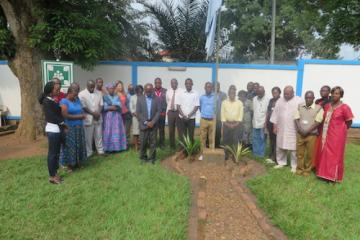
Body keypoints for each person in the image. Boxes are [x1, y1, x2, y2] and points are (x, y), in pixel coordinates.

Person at [316, 86, 353, 182]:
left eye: (337, 93)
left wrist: (341, 131)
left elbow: (349, 121)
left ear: (341, 95)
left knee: (334, 155)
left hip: (337, 136)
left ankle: (332, 176)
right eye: (333, 93)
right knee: (325, 153)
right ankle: (323, 174)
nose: (334, 95)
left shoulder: (345, 107)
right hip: (326, 134)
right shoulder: (328, 106)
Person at [39, 81, 67, 184]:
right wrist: (63, 123)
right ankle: (52, 176)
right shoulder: (47, 101)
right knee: (52, 154)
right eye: (56, 89)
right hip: (53, 129)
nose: (58, 91)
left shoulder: (50, 100)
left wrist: (60, 108)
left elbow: (55, 112)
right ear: (51, 91)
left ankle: (55, 174)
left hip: (56, 129)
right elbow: (52, 116)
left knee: (56, 153)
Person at [270, 86, 302, 173]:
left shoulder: (299, 100)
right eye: (284, 93)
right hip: (281, 127)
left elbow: (302, 114)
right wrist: (274, 126)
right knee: (280, 145)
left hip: (293, 128)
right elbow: (275, 114)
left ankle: (294, 165)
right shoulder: (280, 100)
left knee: (293, 148)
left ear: (293, 93)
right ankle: (281, 162)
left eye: (288, 94)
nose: (285, 95)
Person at [294, 91, 324, 176]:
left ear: (313, 98)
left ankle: (307, 170)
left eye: (310, 97)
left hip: (311, 135)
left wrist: (307, 131)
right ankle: (300, 169)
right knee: (300, 153)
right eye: (306, 97)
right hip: (300, 134)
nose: (308, 99)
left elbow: (318, 121)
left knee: (310, 154)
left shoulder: (319, 108)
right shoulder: (300, 106)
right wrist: (300, 129)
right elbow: (296, 118)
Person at [59, 85, 87, 172]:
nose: (76, 95)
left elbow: (81, 110)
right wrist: (80, 116)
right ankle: (69, 165)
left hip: (79, 127)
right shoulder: (64, 101)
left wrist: (82, 114)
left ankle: (78, 162)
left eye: (77, 93)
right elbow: (65, 115)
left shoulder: (77, 100)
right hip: (69, 127)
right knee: (70, 146)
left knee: (79, 145)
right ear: (69, 92)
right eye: (75, 93)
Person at [79, 80, 105, 157]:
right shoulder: (81, 94)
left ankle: (100, 151)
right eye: (91, 87)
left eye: (93, 87)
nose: (92, 88)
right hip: (88, 118)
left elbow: (101, 105)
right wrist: (93, 113)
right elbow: (83, 107)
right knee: (88, 137)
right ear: (87, 86)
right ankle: (89, 152)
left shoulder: (99, 93)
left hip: (98, 117)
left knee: (99, 135)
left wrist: (98, 113)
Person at [136, 83, 161, 164]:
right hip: (144, 124)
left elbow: (158, 111)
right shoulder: (140, 99)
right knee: (143, 142)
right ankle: (143, 158)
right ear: (144, 91)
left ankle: (151, 159)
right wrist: (146, 122)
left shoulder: (157, 99)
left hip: (153, 124)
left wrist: (153, 122)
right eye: (147, 91)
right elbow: (138, 113)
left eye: (150, 91)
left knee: (153, 143)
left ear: (152, 90)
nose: (148, 93)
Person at [102, 83, 127, 152]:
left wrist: (112, 107)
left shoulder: (117, 97)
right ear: (107, 89)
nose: (111, 90)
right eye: (110, 89)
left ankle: (118, 147)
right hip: (108, 117)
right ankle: (108, 148)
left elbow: (120, 106)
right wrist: (113, 107)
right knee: (109, 131)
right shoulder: (105, 97)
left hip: (116, 117)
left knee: (117, 131)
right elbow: (104, 107)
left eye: (113, 88)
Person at [221, 85, 243, 160]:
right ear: (228, 93)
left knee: (235, 140)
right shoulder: (224, 102)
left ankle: (235, 156)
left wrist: (235, 124)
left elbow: (240, 116)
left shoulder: (239, 103)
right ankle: (226, 155)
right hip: (226, 124)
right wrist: (227, 124)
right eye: (230, 93)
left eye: (233, 93)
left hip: (237, 125)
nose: (232, 94)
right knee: (226, 140)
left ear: (235, 93)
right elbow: (222, 115)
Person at [177, 78, 200, 143]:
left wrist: (189, 116)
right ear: (185, 84)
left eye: (190, 83)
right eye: (187, 83)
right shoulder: (181, 93)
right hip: (182, 118)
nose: (188, 85)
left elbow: (196, 106)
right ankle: (183, 150)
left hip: (191, 119)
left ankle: (191, 151)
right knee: (183, 135)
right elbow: (178, 106)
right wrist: (184, 116)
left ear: (192, 84)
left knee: (191, 135)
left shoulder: (195, 93)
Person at [199, 82, 215, 160]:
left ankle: (211, 155)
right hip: (204, 120)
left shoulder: (215, 97)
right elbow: (200, 108)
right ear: (204, 88)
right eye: (207, 87)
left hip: (212, 120)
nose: (208, 88)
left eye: (210, 87)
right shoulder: (202, 97)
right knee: (203, 138)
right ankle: (203, 154)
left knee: (212, 138)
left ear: (212, 88)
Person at [252, 86, 269, 157]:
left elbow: (267, 112)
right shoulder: (254, 99)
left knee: (262, 139)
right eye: (258, 93)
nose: (259, 95)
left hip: (263, 123)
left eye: (260, 93)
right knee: (255, 138)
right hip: (255, 122)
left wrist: (266, 123)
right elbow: (253, 110)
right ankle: (255, 153)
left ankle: (261, 154)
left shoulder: (267, 100)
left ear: (264, 92)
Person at [265, 87, 281, 163]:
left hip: (277, 124)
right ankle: (271, 155)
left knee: (276, 141)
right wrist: (265, 122)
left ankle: (275, 157)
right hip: (270, 123)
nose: (274, 94)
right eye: (273, 93)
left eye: (276, 92)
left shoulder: (281, 101)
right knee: (271, 140)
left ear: (279, 93)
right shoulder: (271, 100)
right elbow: (268, 111)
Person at [166, 78, 182, 149]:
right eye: (172, 83)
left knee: (180, 129)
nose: (174, 84)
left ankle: (181, 145)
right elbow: (167, 101)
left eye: (175, 83)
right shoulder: (168, 91)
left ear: (177, 83)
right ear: (171, 84)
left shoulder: (181, 91)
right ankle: (172, 145)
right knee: (171, 130)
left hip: (178, 112)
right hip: (170, 112)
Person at [115, 81, 132, 147]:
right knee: (119, 130)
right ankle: (119, 144)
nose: (120, 87)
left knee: (127, 130)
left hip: (127, 114)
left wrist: (129, 111)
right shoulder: (114, 95)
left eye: (121, 85)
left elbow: (127, 104)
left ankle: (126, 144)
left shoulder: (125, 94)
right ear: (116, 87)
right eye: (118, 86)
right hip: (119, 115)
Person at [130, 85, 143, 151]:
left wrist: (141, 116)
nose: (139, 93)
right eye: (138, 91)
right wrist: (136, 115)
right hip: (135, 117)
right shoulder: (132, 97)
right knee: (135, 132)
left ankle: (142, 145)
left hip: (143, 118)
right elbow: (131, 108)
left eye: (141, 91)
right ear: (136, 91)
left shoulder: (144, 97)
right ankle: (136, 146)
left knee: (142, 131)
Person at [154, 78, 167, 147]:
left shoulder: (165, 91)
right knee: (154, 130)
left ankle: (162, 144)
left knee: (162, 130)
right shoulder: (152, 91)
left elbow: (168, 101)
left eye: (159, 83)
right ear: (154, 83)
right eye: (156, 83)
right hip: (154, 114)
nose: (157, 84)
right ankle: (154, 144)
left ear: (161, 83)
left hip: (162, 114)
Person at [215, 81, 227, 148]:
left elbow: (225, 105)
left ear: (219, 86)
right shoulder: (211, 94)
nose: (216, 87)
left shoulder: (223, 94)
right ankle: (210, 145)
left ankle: (217, 144)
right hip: (211, 117)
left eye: (218, 86)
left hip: (219, 117)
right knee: (211, 132)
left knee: (218, 132)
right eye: (215, 86)